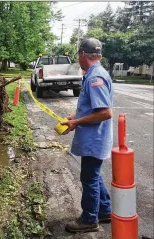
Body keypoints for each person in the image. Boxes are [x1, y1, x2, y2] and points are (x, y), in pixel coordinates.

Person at [61, 38, 113, 233]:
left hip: (94, 139)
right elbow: (94, 107)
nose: (78, 58)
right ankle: (105, 211)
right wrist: (77, 116)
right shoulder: (96, 73)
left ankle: (89, 219)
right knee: (94, 176)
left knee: (88, 178)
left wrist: (76, 122)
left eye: (78, 55)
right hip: (95, 138)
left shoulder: (94, 77)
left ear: (83, 54)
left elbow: (105, 112)